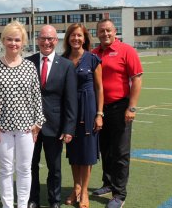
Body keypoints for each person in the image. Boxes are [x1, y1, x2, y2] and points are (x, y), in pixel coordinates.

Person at [0, 20, 46, 208]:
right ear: (3, 41)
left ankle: (22, 205)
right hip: (2, 129)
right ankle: (7, 206)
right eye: (10, 39)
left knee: (24, 169)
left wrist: (38, 123)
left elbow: (37, 96)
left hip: (26, 129)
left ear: (23, 43)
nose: (14, 43)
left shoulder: (29, 67)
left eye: (17, 40)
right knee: (5, 170)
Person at [92, 19, 143, 208]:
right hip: (100, 109)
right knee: (105, 149)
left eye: (108, 30)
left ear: (115, 32)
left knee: (120, 152)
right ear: (97, 33)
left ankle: (119, 194)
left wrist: (132, 107)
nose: (105, 34)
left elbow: (137, 79)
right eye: (101, 31)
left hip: (121, 108)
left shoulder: (126, 50)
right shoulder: (94, 53)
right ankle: (108, 183)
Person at [26, 25, 78, 208]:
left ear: (56, 41)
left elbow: (71, 100)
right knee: (29, 167)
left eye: (50, 39)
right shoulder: (27, 62)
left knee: (54, 168)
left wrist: (69, 128)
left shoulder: (66, 66)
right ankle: (32, 200)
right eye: (43, 38)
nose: (46, 42)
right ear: (37, 40)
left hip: (54, 126)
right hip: (29, 126)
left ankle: (54, 201)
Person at [62, 23, 104, 208]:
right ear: (68, 38)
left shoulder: (93, 59)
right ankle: (76, 187)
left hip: (88, 109)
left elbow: (99, 88)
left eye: (79, 36)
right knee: (73, 152)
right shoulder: (62, 59)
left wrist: (99, 114)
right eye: (73, 35)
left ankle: (84, 190)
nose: (76, 39)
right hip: (69, 110)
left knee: (86, 153)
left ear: (84, 38)